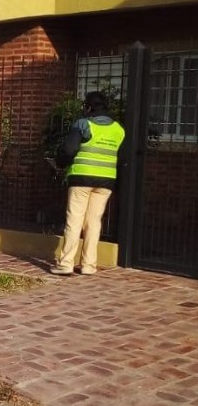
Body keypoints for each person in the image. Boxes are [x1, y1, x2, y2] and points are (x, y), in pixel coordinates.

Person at [50, 91, 125, 276]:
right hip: (106, 181)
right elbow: (121, 156)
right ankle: (89, 265)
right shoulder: (118, 129)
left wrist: (59, 164)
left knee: (74, 219)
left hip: (81, 178)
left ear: (89, 107)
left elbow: (69, 150)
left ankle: (66, 264)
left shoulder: (83, 124)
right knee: (94, 221)